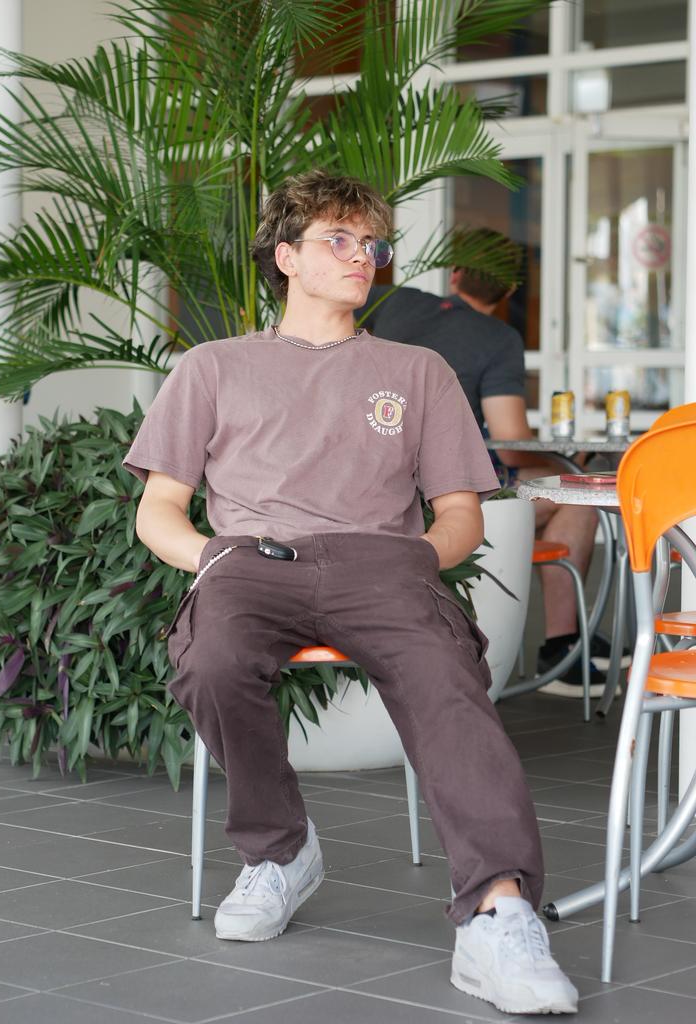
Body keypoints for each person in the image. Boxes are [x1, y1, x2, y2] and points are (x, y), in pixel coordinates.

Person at [124, 170, 578, 1016]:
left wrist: (418, 559)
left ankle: (498, 911)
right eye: (341, 239)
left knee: (448, 680)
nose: (363, 256)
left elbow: (459, 517)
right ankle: (278, 853)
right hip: (250, 559)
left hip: (384, 561)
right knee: (212, 659)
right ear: (286, 256)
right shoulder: (213, 366)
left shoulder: (418, 371)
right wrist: (212, 559)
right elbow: (158, 509)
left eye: (373, 244)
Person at [360, 258, 621, 698]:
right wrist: (569, 457)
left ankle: (564, 645)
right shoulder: (498, 339)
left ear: (455, 274)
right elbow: (510, 445)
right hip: (441, 506)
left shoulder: (391, 299)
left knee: (556, 486)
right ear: (508, 295)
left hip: (366, 490)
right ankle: (561, 650)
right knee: (572, 490)